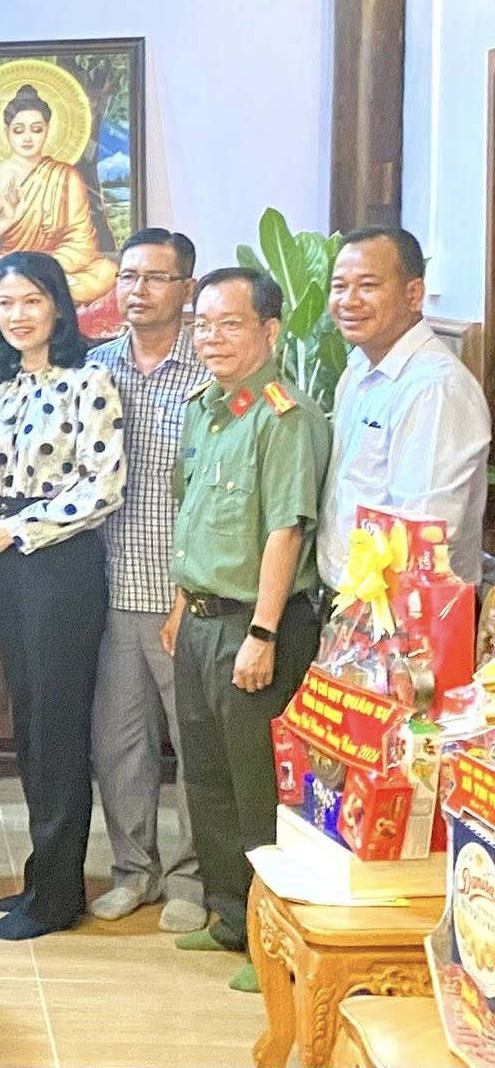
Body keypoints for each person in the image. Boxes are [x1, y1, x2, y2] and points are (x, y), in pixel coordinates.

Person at [165, 267, 330, 992]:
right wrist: (181, 603)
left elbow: (284, 532)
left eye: (230, 323)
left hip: (254, 627)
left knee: (259, 786)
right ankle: (229, 916)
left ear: (270, 330)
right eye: (202, 324)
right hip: (201, 619)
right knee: (207, 778)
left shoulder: (284, 417)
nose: (212, 337)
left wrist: (262, 634)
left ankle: (273, 941)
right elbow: (195, 515)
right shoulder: (206, 410)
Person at [0, 250, 125, 941]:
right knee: (27, 724)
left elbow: (103, 485)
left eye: (32, 300)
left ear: (59, 305)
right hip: (6, 563)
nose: (18, 314)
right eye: (5, 302)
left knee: (57, 729)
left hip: (60, 564)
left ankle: (59, 894)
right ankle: (41, 876)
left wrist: (16, 529)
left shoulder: (90, 381)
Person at [84, 228, 211, 933]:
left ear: (186, 289)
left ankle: (192, 878)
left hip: (183, 597)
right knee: (119, 746)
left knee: (194, 749)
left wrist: (191, 592)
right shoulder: (96, 367)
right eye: (128, 276)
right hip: (108, 592)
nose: (137, 290)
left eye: (155, 278)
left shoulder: (211, 370)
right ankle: (135, 871)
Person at [318, 227, 490, 588]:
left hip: (402, 609)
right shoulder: (357, 368)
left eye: (367, 286)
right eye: (339, 286)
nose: (348, 300)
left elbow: (427, 531)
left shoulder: (435, 388)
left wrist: (373, 613)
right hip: (351, 601)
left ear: (414, 294)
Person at [0, 83, 120, 310]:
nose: (28, 138)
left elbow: (81, 240)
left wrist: (43, 268)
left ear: (47, 130)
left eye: (36, 129)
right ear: (6, 131)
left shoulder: (66, 176)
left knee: (107, 273)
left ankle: (28, 290)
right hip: (3, 265)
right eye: (19, 130)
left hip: (55, 265)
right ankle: (43, 293)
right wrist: (9, 219)